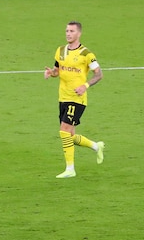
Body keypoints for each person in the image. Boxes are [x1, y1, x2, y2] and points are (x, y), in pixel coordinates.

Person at [43, 21, 105, 179]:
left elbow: (99, 74)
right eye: (66, 31)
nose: (68, 33)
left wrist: (85, 85)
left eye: (71, 31)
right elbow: (58, 70)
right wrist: (51, 73)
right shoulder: (60, 51)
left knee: (64, 130)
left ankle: (70, 169)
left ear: (79, 33)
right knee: (69, 136)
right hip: (62, 97)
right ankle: (96, 146)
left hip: (77, 99)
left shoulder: (86, 54)